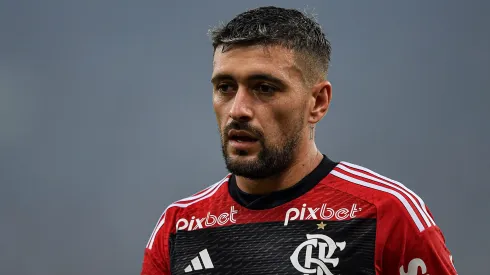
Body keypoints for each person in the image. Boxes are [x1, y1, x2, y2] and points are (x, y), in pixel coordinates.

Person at [141, 6, 458, 275]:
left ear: (318, 102)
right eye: (225, 87)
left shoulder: (385, 213)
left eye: (264, 88)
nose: (238, 110)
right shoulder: (179, 228)